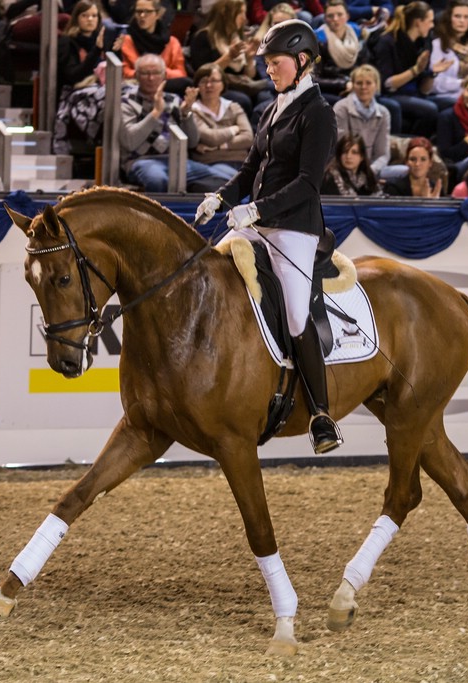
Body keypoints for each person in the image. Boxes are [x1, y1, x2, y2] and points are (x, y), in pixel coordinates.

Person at [194, 19, 343, 454]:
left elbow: (308, 183)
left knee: (296, 315)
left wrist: (257, 209)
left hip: (294, 229)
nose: (268, 69)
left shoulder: (319, 113)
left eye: (275, 62)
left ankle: (321, 415)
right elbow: (249, 170)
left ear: (301, 61)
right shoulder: (272, 108)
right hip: (258, 226)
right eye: (267, 63)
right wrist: (220, 198)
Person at [120, 53, 236, 191]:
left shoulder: (174, 99)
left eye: (156, 73)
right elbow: (130, 142)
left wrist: (186, 114)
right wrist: (156, 112)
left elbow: (192, 142)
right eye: (145, 73)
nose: (151, 78)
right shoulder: (126, 102)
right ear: (136, 75)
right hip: (142, 161)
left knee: (227, 179)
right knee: (157, 179)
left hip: (178, 161)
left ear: (164, 75)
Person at [371, 1, 438, 137]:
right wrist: (415, 70)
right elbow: (387, 84)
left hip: (415, 94)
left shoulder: (424, 43)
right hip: (390, 94)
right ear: (418, 22)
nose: (432, 25)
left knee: (449, 106)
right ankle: (408, 144)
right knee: (430, 109)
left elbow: (424, 90)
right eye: (430, 21)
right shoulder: (388, 41)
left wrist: (433, 73)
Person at [189, 0, 265, 111]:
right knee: (243, 100)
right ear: (226, 14)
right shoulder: (204, 37)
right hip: (213, 88)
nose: (245, 18)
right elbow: (202, 74)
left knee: (264, 96)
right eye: (240, 13)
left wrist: (249, 59)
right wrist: (229, 56)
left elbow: (249, 77)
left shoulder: (237, 38)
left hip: (239, 85)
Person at [191, 62, 255, 169]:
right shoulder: (193, 110)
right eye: (203, 81)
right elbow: (211, 138)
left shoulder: (233, 107)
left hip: (241, 162)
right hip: (210, 163)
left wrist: (219, 146)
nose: (209, 85)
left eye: (214, 81)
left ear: (223, 84)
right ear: (197, 86)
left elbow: (248, 138)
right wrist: (233, 129)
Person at [429, 0, 468, 110]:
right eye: (457, 16)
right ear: (449, 19)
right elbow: (434, 84)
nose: (462, 21)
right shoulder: (437, 45)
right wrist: (463, 83)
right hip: (446, 98)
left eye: (466, 17)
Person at [332, 64, 391, 176]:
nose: (364, 87)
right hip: (345, 166)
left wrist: (370, 172)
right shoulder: (341, 108)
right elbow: (341, 149)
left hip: (372, 170)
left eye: (368, 83)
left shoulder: (384, 113)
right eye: (359, 83)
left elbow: (383, 155)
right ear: (353, 85)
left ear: (376, 85)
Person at [120, 0, 190, 93]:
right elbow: (124, 72)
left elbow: (181, 74)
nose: (142, 15)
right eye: (139, 11)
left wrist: (157, 73)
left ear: (157, 14)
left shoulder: (172, 42)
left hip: (166, 89)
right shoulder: (126, 41)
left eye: (147, 11)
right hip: (135, 89)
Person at [57, 0, 124, 95]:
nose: (90, 19)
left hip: (102, 87)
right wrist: (96, 50)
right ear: (76, 18)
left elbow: (112, 73)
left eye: (94, 16)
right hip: (76, 90)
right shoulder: (67, 42)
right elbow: (73, 76)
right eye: (85, 15)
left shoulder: (102, 38)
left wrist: (116, 52)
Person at [383, 136, 448, 197]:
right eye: (413, 159)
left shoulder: (436, 189)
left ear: (430, 163)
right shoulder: (394, 187)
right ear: (406, 162)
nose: (417, 164)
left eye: (423, 159)